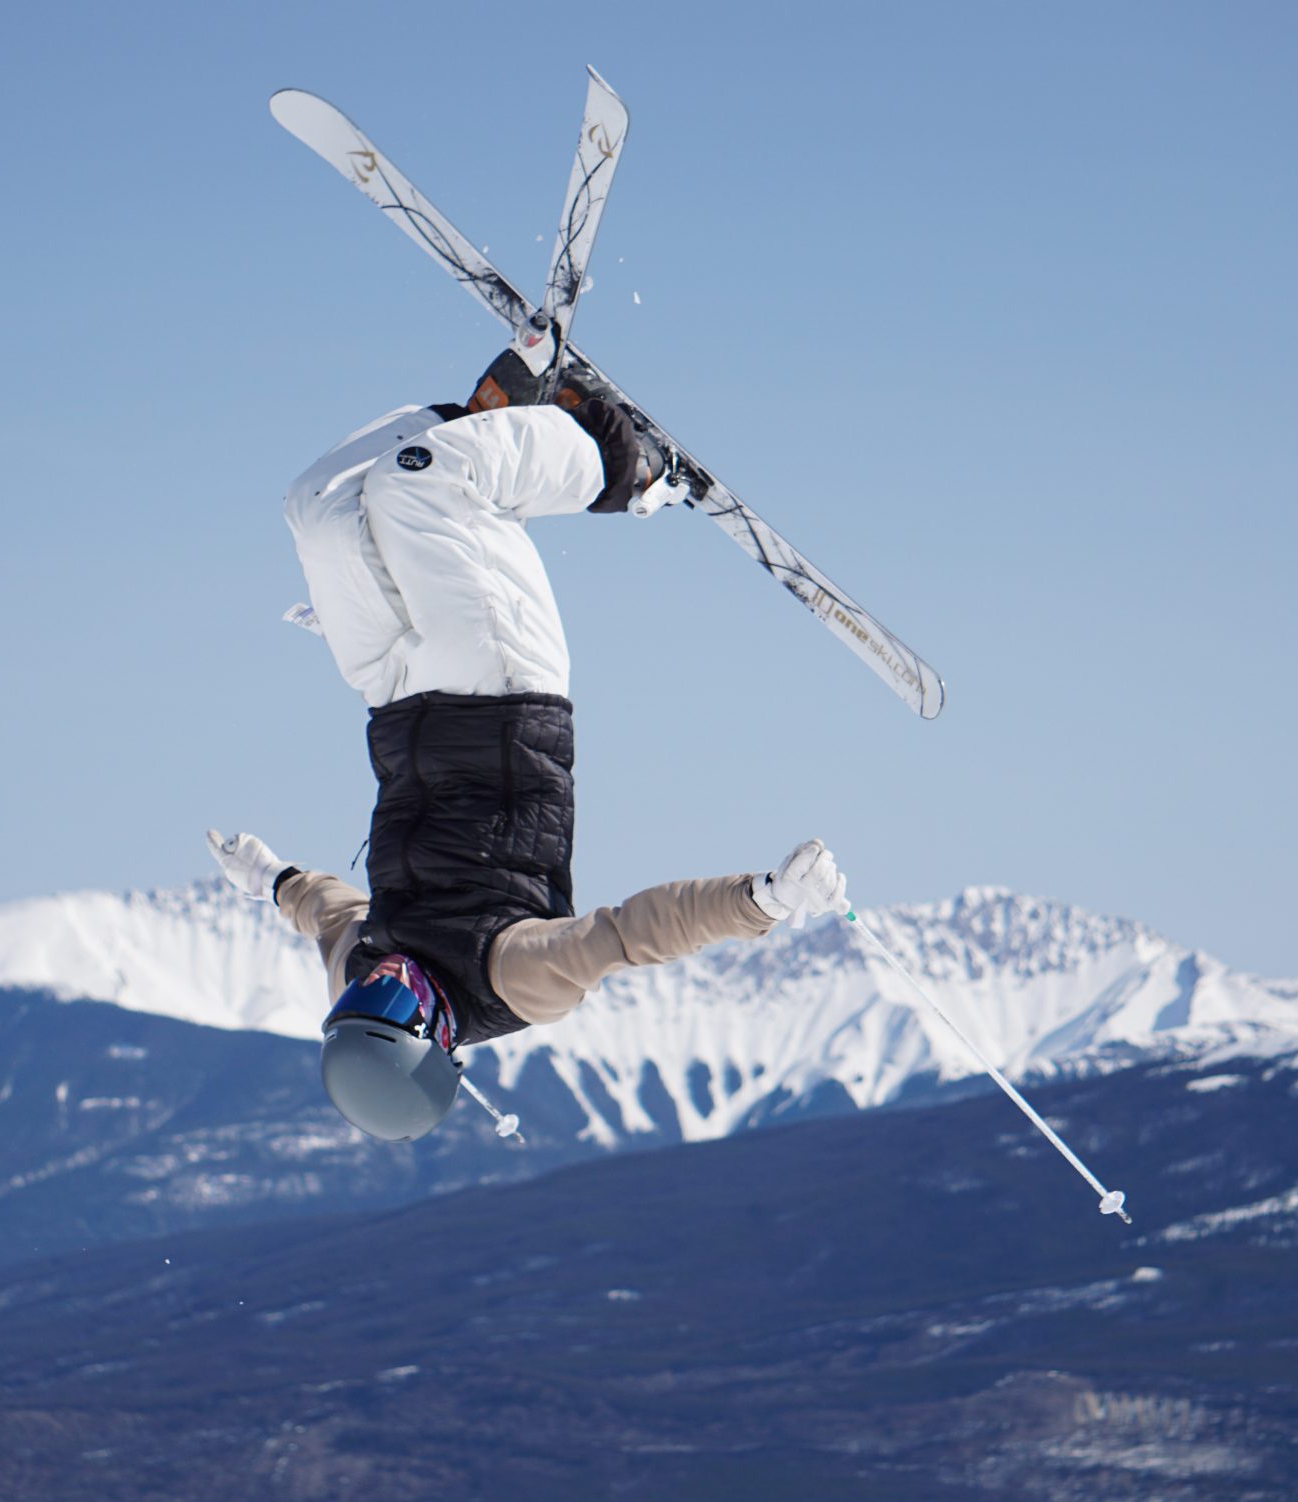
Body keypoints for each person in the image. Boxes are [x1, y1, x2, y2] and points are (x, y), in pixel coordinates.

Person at [208, 329, 848, 1140]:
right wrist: (763, 901)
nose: (387, 977)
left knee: (318, 510)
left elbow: (328, 912)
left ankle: (480, 419)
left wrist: (266, 876)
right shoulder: (508, 977)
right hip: (503, 689)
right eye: (397, 1001)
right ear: (435, 1035)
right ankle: (627, 468)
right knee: (422, 489)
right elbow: (630, 933)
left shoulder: (364, 966)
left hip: (397, 698)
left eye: (363, 994)